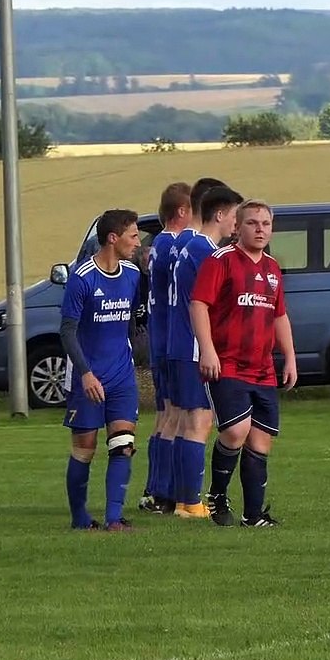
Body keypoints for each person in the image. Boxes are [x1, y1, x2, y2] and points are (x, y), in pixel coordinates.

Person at [190, 199, 297, 528]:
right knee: (236, 431)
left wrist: (289, 357)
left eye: (266, 223)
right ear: (237, 227)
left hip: (262, 368)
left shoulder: (273, 269)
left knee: (261, 441)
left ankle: (253, 516)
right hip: (228, 364)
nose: (260, 229)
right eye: (252, 223)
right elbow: (198, 304)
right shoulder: (221, 261)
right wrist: (206, 349)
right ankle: (218, 495)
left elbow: (279, 316)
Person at [60, 209, 143, 531]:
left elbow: (132, 323)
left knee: (123, 443)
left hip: (121, 374)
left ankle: (114, 519)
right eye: (133, 236)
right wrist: (85, 373)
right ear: (113, 238)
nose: (137, 242)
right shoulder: (82, 278)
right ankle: (80, 518)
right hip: (88, 376)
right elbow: (67, 331)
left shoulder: (133, 274)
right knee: (85, 448)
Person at [166, 183, 242, 520]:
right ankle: (190, 501)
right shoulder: (204, 251)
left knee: (187, 422)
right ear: (221, 215)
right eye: (236, 218)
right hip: (194, 346)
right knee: (199, 421)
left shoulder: (193, 245)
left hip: (180, 343)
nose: (236, 226)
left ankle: (182, 499)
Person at [137, 182, 194, 514]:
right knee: (175, 414)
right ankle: (162, 492)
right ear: (183, 212)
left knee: (164, 414)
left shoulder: (157, 243)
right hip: (171, 338)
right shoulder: (175, 243)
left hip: (160, 337)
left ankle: (154, 489)